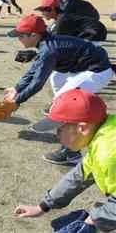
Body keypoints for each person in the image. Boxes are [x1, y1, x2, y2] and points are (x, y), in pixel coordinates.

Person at [4, 14, 114, 165]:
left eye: (21, 35)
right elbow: (34, 70)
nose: (18, 39)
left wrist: (16, 102)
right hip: (83, 67)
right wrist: (17, 89)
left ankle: (70, 153)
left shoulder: (49, 50)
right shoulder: (45, 44)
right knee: (56, 77)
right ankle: (59, 109)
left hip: (97, 71)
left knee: (67, 99)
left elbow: (37, 83)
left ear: (34, 35)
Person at [15, 89, 116, 233]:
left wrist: (94, 220)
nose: (57, 137)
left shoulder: (109, 152)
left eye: (59, 130)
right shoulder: (103, 135)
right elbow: (80, 176)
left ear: (82, 128)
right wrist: (43, 206)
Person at [36, 0, 107, 43]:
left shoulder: (62, 20)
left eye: (43, 10)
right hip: (93, 30)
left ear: (52, 9)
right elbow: (51, 31)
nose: (42, 13)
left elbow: (53, 40)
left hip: (95, 32)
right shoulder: (60, 17)